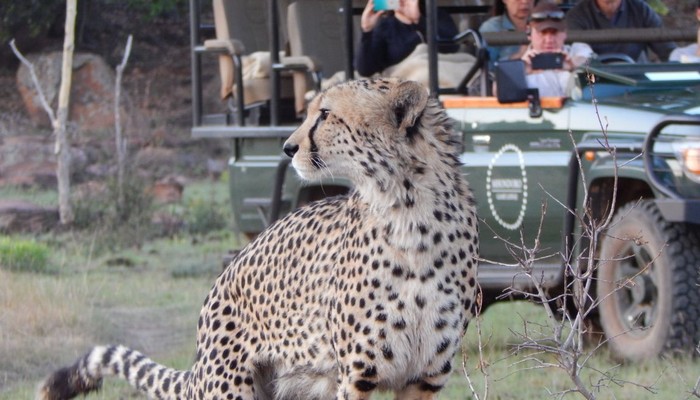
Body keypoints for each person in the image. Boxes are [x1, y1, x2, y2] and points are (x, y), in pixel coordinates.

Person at [354, 0, 459, 77]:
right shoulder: (384, 26)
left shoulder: (436, 15)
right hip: (407, 84)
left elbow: (453, 47)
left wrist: (419, 21)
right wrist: (366, 30)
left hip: (441, 75)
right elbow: (365, 70)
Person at [519, 0, 595, 97]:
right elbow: (498, 91)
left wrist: (572, 65)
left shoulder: (578, 50)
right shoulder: (522, 65)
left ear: (565, 32)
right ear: (529, 33)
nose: (549, 39)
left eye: (554, 32)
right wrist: (520, 72)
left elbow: (593, 64)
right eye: (542, 33)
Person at [566, 0, 676, 61]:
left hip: (637, 82)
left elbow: (668, 51)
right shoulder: (576, 16)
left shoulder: (641, 10)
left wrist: (686, 58)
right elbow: (578, 59)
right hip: (595, 84)